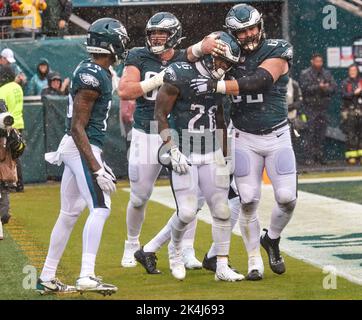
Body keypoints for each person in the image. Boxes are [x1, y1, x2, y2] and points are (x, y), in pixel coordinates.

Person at [189, 3, 297, 280]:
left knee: (287, 199)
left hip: (278, 134)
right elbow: (188, 58)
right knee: (248, 200)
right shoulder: (227, 51)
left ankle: (271, 238)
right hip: (244, 136)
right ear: (232, 33)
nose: (249, 34)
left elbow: (260, 80)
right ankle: (254, 262)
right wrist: (203, 49)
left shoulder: (277, 48)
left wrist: (218, 85)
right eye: (242, 31)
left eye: (252, 28)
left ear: (260, 25)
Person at [37, 17, 129, 295]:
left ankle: (46, 277)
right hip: (82, 146)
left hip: (78, 146)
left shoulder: (94, 69)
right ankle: (87, 275)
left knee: (70, 212)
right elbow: (78, 127)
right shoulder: (92, 75)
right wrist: (97, 168)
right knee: (101, 207)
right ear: (110, 43)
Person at [145, 31, 243, 282]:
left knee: (221, 210)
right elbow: (159, 115)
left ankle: (221, 266)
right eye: (223, 62)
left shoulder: (219, 80)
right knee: (187, 213)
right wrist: (171, 147)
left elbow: (220, 119)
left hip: (210, 150)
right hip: (185, 150)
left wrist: (226, 155)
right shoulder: (180, 73)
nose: (226, 68)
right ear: (211, 56)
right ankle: (175, 252)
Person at [118, 12, 206, 270]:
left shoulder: (183, 57)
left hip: (177, 134)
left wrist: (207, 44)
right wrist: (160, 78)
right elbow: (125, 90)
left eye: (161, 34)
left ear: (174, 36)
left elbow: (198, 50)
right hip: (146, 133)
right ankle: (132, 244)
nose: (156, 38)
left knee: (189, 196)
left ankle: (186, 249)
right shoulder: (138, 56)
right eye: (152, 33)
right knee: (139, 196)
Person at [299, 53, 337, 165]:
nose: (319, 63)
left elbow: (333, 88)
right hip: (310, 108)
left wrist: (325, 88)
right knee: (310, 133)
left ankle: (319, 156)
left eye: (320, 61)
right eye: (317, 61)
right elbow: (304, 88)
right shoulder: (305, 74)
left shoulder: (326, 74)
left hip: (323, 108)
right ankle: (309, 158)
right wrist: (318, 87)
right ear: (312, 61)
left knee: (321, 133)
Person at [0, 99, 25, 240]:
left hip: (3, 174)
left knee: (4, 213)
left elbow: (20, 150)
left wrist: (13, 141)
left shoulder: (10, 132)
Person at [0, 64, 24, 192]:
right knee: (16, 154)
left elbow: (3, 108)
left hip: (8, 125)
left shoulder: (3, 89)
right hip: (19, 122)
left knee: (8, 156)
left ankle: (11, 182)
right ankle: (18, 183)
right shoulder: (17, 87)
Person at [340, 64, 362, 165]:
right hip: (349, 112)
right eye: (351, 70)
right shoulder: (345, 82)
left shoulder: (361, 81)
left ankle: (360, 156)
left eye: (354, 70)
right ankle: (351, 157)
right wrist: (354, 93)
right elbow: (344, 95)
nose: (352, 72)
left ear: (357, 71)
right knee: (351, 135)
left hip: (360, 111)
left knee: (360, 134)